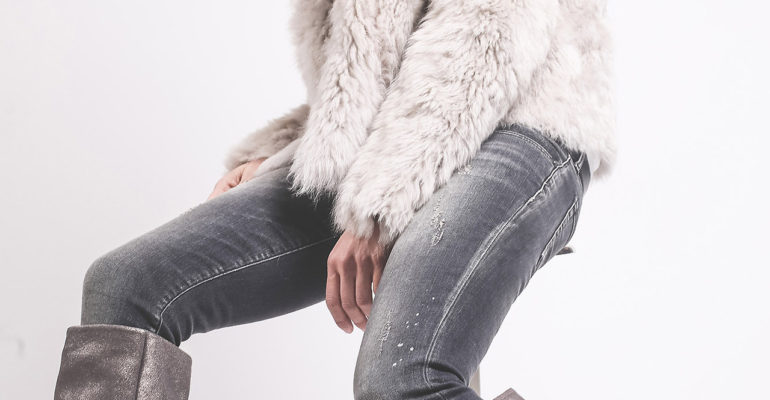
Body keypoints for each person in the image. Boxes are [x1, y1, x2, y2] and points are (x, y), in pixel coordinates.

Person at [53, 1, 617, 399]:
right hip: (388, 142)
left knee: (401, 378)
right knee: (129, 288)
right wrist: (277, 154)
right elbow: (365, 81)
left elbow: (483, 44)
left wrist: (381, 205)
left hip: (523, 125)